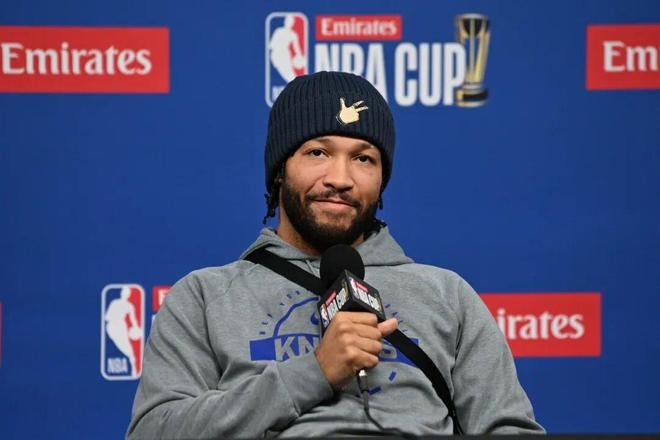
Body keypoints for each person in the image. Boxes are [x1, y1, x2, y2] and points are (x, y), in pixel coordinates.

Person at [126, 71, 545, 438]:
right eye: (318, 152)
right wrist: (313, 372)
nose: (340, 178)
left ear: (381, 180)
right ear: (280, 170)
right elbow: (152, 432)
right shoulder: (203, 296)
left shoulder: (447, 294)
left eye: (363, 158)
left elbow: (509, 429)